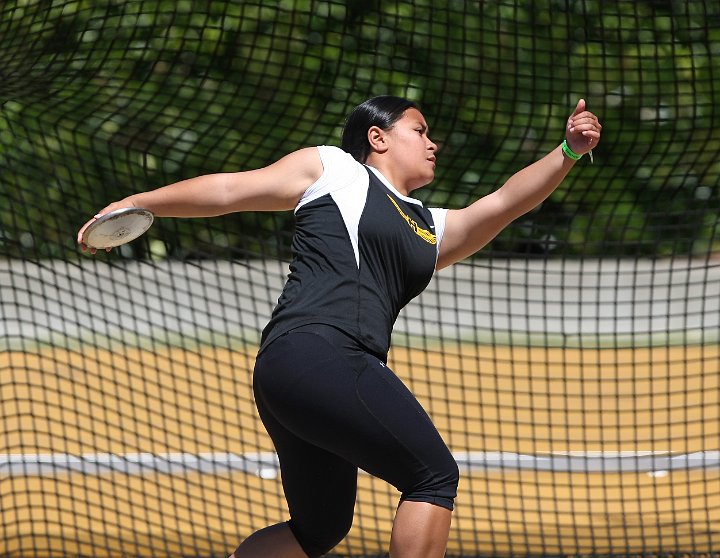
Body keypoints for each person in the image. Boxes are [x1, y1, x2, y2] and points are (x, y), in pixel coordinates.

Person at [77, 96, 601, 557]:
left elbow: (509, 202)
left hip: (297, 371)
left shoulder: (429, 226)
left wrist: (569, 152)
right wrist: (137, 203)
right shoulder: (335, 169)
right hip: (318, 352)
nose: (433, 143)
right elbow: (231, 190)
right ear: (378, 137)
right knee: (433, 476)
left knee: (320, 528)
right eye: (419, 131)